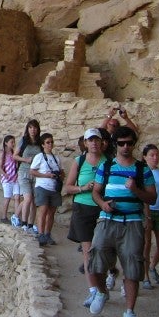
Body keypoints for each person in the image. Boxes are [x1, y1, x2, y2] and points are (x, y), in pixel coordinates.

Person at [86, 126, 156, 317]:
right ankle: (101, 291)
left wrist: (135, 189)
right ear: (115, 145)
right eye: (121, 143)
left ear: (134, 144)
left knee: (133, 265)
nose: (126, 147)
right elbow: (96, 193)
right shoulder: (106, 166)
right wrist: (102, 204)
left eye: (129, 143)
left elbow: (152, 197)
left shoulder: (142, 170)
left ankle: (129, 311)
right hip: (108, 219)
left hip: (132, 222)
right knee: (96, 255)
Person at [64, 128, 105, 304]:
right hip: (83, 207)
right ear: (86, 143)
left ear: (101, 142)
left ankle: (102, 286)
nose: (94, 143)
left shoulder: (108, 162)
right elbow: (68, 187)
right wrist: (83, 188)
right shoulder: (79, 161)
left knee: (103, 250)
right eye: (91, 140)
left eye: (97, 140)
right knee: (88, 252)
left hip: (102, 208)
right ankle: (93, 290)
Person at [140, 143, 159, 290]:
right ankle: (145, 277)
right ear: (145, 157)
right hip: (147, 211)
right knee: (146, 245)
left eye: (157, 155)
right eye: (152, 155)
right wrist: (147, 215)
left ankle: (152, 266)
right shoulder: (142, 173)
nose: (155, 158)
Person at [30, 133, 63, 246]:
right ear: (43, 144)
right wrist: (46, 175)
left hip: (54, 188)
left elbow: (62, 172)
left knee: (51, 212)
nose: (50, 144)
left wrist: (59, 175)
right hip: (42, 186)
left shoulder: (56, 158)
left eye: (51, 142)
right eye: (48, 142)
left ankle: (47, 234)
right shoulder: (39, 157)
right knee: (43, 210)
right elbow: (32, 171)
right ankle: (41, 234)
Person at [14, 119, 43, 233]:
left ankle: (31, 225)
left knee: (34, 201)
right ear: (27, 129)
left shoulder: (40, 142)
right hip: (24, 171)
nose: (33, 130)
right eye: (30, 127)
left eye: (34, 128)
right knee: (28, 198)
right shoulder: (23, 140)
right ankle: (24, 223)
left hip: (36, 173)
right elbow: (15, 156)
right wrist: (25, 159)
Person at [0, 135, 20, 224]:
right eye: (11, 142)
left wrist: (17, 174)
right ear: (6, 143)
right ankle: (3, 217)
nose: (13, 144)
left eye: (13, 142)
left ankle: (16, 217)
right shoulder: (3, 154)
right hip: (7, 179)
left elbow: (17, 166)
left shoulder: (14, 153)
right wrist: (4, 174)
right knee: (7, 198)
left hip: (15, 178)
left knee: (17, 197)